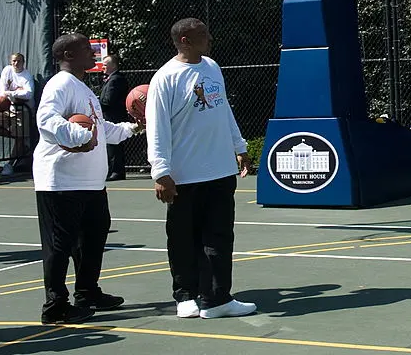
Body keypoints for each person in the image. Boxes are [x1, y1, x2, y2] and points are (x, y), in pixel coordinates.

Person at [146, 17, 256, 319]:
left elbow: (224, 111)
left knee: (219, 237)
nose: (210, 38)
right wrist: (161, 171)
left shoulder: (212, 66)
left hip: (219, 171)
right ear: (185, 40)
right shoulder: (165, 77)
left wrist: (240, 146)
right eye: (203, 34)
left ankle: (217, 298)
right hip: (184, 175)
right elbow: (157, 128)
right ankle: (185, 296)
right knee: (183, 238)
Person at [33, 33, 142, 324]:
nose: (92, 52)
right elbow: (46, 120)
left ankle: (87, 292)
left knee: (93, 238)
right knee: (60, 244)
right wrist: (78, 135)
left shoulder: (82, 88)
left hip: (90, 182)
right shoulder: (60, 84)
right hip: (61, 180)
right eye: (85, 48)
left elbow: (101, 128)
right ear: (68, 54)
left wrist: (132, 129)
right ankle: (55, 306)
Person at [0, 53, 35, 175]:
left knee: (19, 138)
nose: (16, 63)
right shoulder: (7, 70)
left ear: (23, 62)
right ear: (10, 61)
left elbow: (28, 94)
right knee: (18, 136)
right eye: (14, 61)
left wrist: (10, 94)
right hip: (8, 108)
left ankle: (9, 165)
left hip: (23, 111)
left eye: (19, 61)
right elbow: (2, 91)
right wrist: (15, 93)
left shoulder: (26, 76)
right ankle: (24, 143)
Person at [99, 53, 130, 181]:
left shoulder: (116, 79)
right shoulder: (111, 79)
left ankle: (117, 171)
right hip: (110, 116)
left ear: (113, 66)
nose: (103, 67)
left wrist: (97, 104)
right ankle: (112, 170)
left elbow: (108, 100)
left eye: (105, 65)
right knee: (110, 146)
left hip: (114, 117)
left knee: (114, 146)